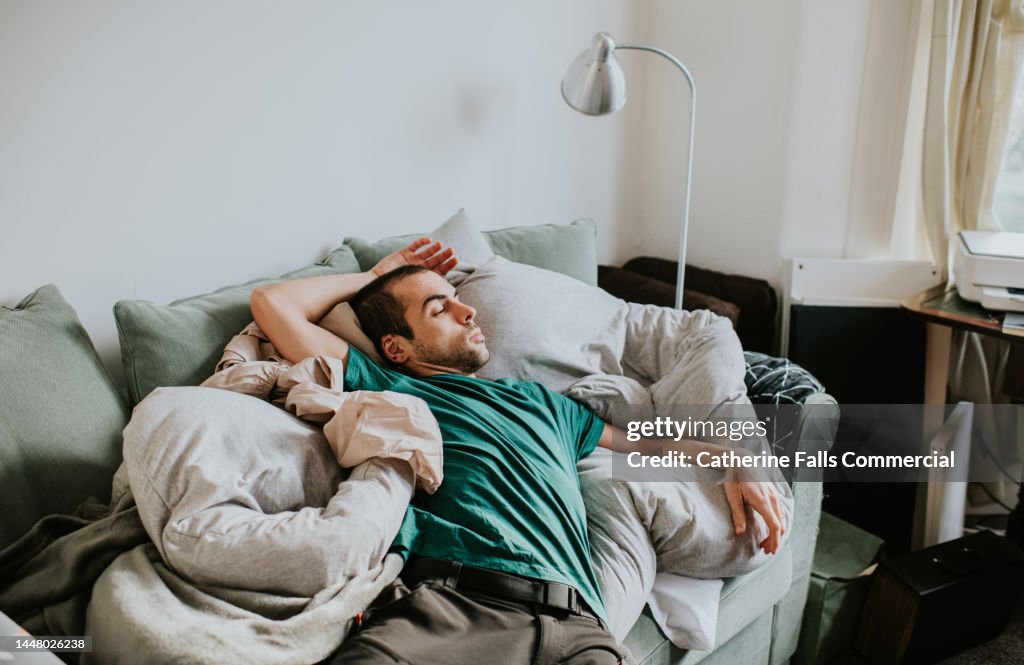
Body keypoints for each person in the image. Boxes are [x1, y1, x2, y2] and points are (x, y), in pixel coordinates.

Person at [251, 238, 786, 665]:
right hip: (458, 607)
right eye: (440, 308)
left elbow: (651, 447)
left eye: (461, 301)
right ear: (398, 347)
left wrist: (737, 457)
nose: (468, 312)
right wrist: (372, 279)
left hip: (580, 625)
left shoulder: (543, 403)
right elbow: (271, 304)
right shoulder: (390, 388)